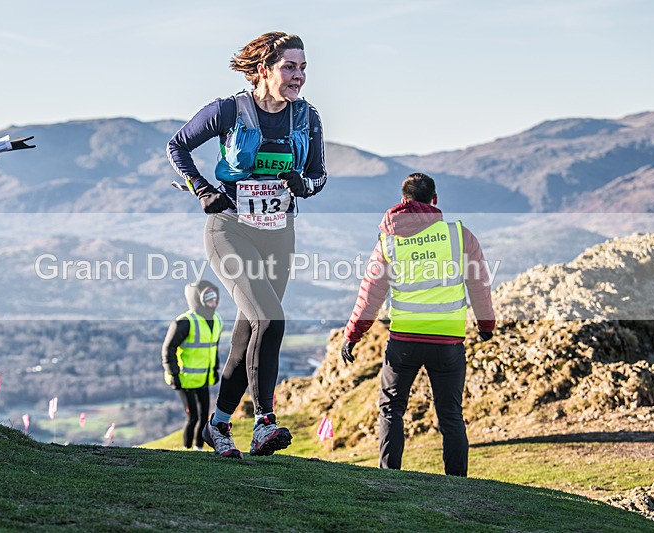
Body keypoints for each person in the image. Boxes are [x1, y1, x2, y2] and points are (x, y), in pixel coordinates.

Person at [167, 32, 327, 458]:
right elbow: (177, 145)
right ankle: (263, 423)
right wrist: (202, 188)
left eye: (303, 68)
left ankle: (217, 426)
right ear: (263, 70)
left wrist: (301, 183)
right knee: (271, 319)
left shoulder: (307, 118)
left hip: (279, 231)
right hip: (230, 229)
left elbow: (318, 178)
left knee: (250, 329)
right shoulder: (228, 110)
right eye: (290, 67)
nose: (299, 76)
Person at [341, 173, 495, 476]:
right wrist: (486, 325)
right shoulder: (459, 235)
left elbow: (371, 292)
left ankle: (389, 475)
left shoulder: (389, 240)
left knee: (391, 410)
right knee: (451, 415)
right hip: (448, 343)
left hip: (404, 343)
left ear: (403, 201)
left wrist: (353, 334)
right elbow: (480, 284)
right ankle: (457, 483)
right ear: (434, 200)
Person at [162, 281, 223, 451]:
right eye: (209, 299)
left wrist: (215, 369)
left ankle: (198, 449)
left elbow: (213, 348)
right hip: (184, 379)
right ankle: (186, 450)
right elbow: (168, 348)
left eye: (215, 298)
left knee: (204, 416)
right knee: (193, 417)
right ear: (198, 300)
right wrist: (173, 374)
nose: (213, 302)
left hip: (203, 378)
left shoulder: (216, 320)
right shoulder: (185, 322)